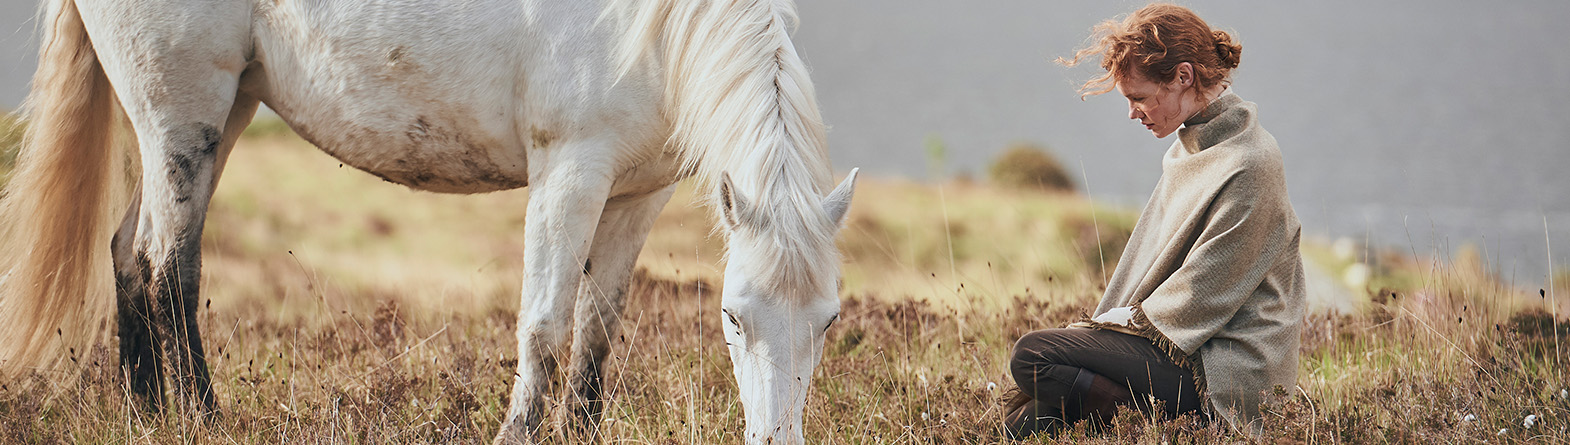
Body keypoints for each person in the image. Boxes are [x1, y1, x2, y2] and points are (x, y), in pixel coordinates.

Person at [1003, 3, 1305, 438]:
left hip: (1224, 369)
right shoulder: (1189, 149)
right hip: (1179, 349)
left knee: (1034, 356)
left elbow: (1201, 295)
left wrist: (1103, 336)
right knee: (1023, 422)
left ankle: (1150, 425)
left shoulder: (1251, 162)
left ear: (1184, 76)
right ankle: (1130, 418)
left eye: (1139, 98)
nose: (1133, 113)